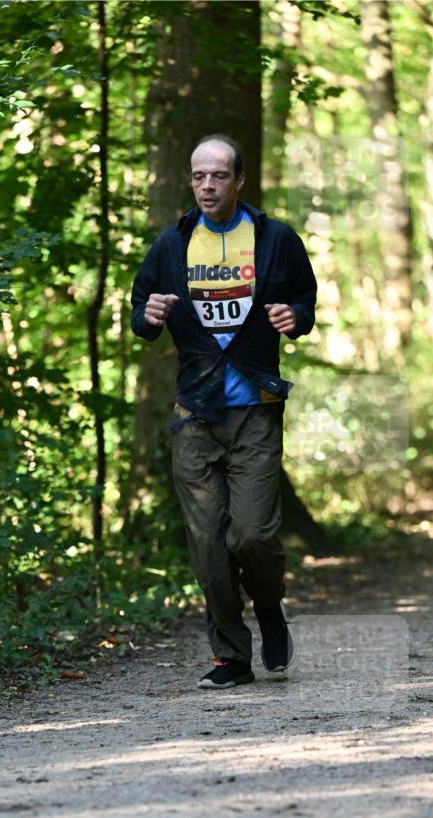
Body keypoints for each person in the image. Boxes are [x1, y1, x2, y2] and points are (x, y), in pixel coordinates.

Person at [131, 134, 317, 690]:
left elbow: (306, 299)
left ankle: (269, 606)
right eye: (197, 177)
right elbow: (141, 312)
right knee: (208, 545)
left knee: (253, 535)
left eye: (218, 176)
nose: (207, 185)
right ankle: (231, 657)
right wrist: (151, 312)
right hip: (196, 412)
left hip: (255, 409)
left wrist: (294, 315)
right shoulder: (172, 244)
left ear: (239, 181)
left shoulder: (274, 239)